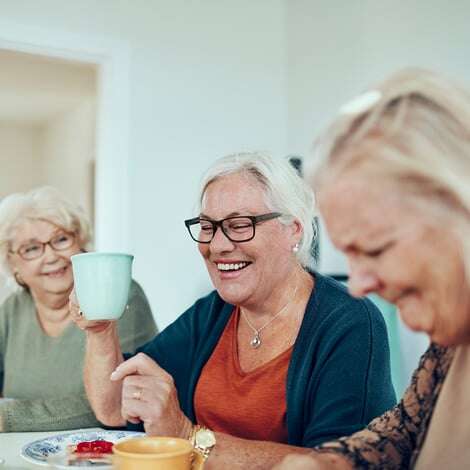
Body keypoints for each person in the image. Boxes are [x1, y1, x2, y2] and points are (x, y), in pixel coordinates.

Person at [72, 152, 395, 469]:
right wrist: (100, 330)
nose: (218, 245)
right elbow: (114, 409)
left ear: (292, 230)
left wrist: (187, 435)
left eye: (240, 225)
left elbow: (336, 463)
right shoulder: (211, 314)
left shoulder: (349, 321)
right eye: (208, 226)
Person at [274, 69, 470, 470]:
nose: (359, 285)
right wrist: (328, 464)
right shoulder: (451, 344)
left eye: (376, 249)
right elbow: (404, 432)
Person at [0, 186, 157, 432]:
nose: (51, 256)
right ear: (13, 264)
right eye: (31, 248)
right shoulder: (12, 309)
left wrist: (9, 417)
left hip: (99, 454)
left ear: (81, 243)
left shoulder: (120, 293)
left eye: (61, 239)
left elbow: (118, 399)